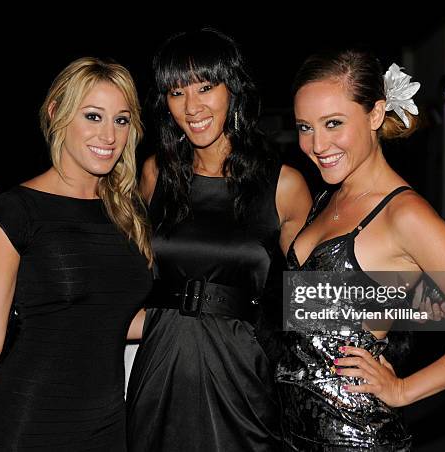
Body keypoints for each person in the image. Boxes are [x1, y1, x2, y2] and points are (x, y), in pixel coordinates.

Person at [275, 50, 445, 451]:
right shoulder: (327, 198)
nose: (317, 144)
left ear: (375, 115)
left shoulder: (406, 215)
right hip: (292, 432)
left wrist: (403, 389)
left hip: (354, 438)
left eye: (333, 123)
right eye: (305, 127)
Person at [0, 57, 153, 452]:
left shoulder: (126, 213)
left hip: (108, 426)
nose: (109, 135)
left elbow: (110, 314)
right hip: (26, 422)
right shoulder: (16, 212)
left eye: (121, 120)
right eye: (93, 116)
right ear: (56, 114)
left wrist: (199, 320)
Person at [125, 29, 311, 452]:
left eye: (206, 87)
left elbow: (312, 293)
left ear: (234, 89)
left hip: (243, 375)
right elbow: (134, 275)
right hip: (161, 369)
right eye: (176, 92)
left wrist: (399, 302)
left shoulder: (282, 185)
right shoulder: (156, 173)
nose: (192, 107)